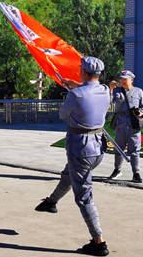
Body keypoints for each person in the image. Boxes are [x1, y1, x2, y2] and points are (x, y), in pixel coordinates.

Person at [34, 57, 111, 256]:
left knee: (84, 196)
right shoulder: (104, 91)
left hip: (80, 150)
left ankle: (99, 242)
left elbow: (63, 114)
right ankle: (51, 202)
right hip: (97, 148)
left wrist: (73, 91)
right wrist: (75, 86)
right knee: (69, 175)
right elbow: (89, 90)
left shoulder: (76, 95)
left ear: (83, 72)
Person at [108, 70, 143, 183]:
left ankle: (136, 173)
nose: (122, 81)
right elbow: (108, 104)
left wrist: (140, 113)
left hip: (134, 125)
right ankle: (117, 170)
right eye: (121, 78)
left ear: (131, 80)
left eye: (125, 79)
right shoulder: (116, 91)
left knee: (135, 150)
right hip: (120, 124)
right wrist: (110, 89)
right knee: (118, 149)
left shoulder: (138, 91)